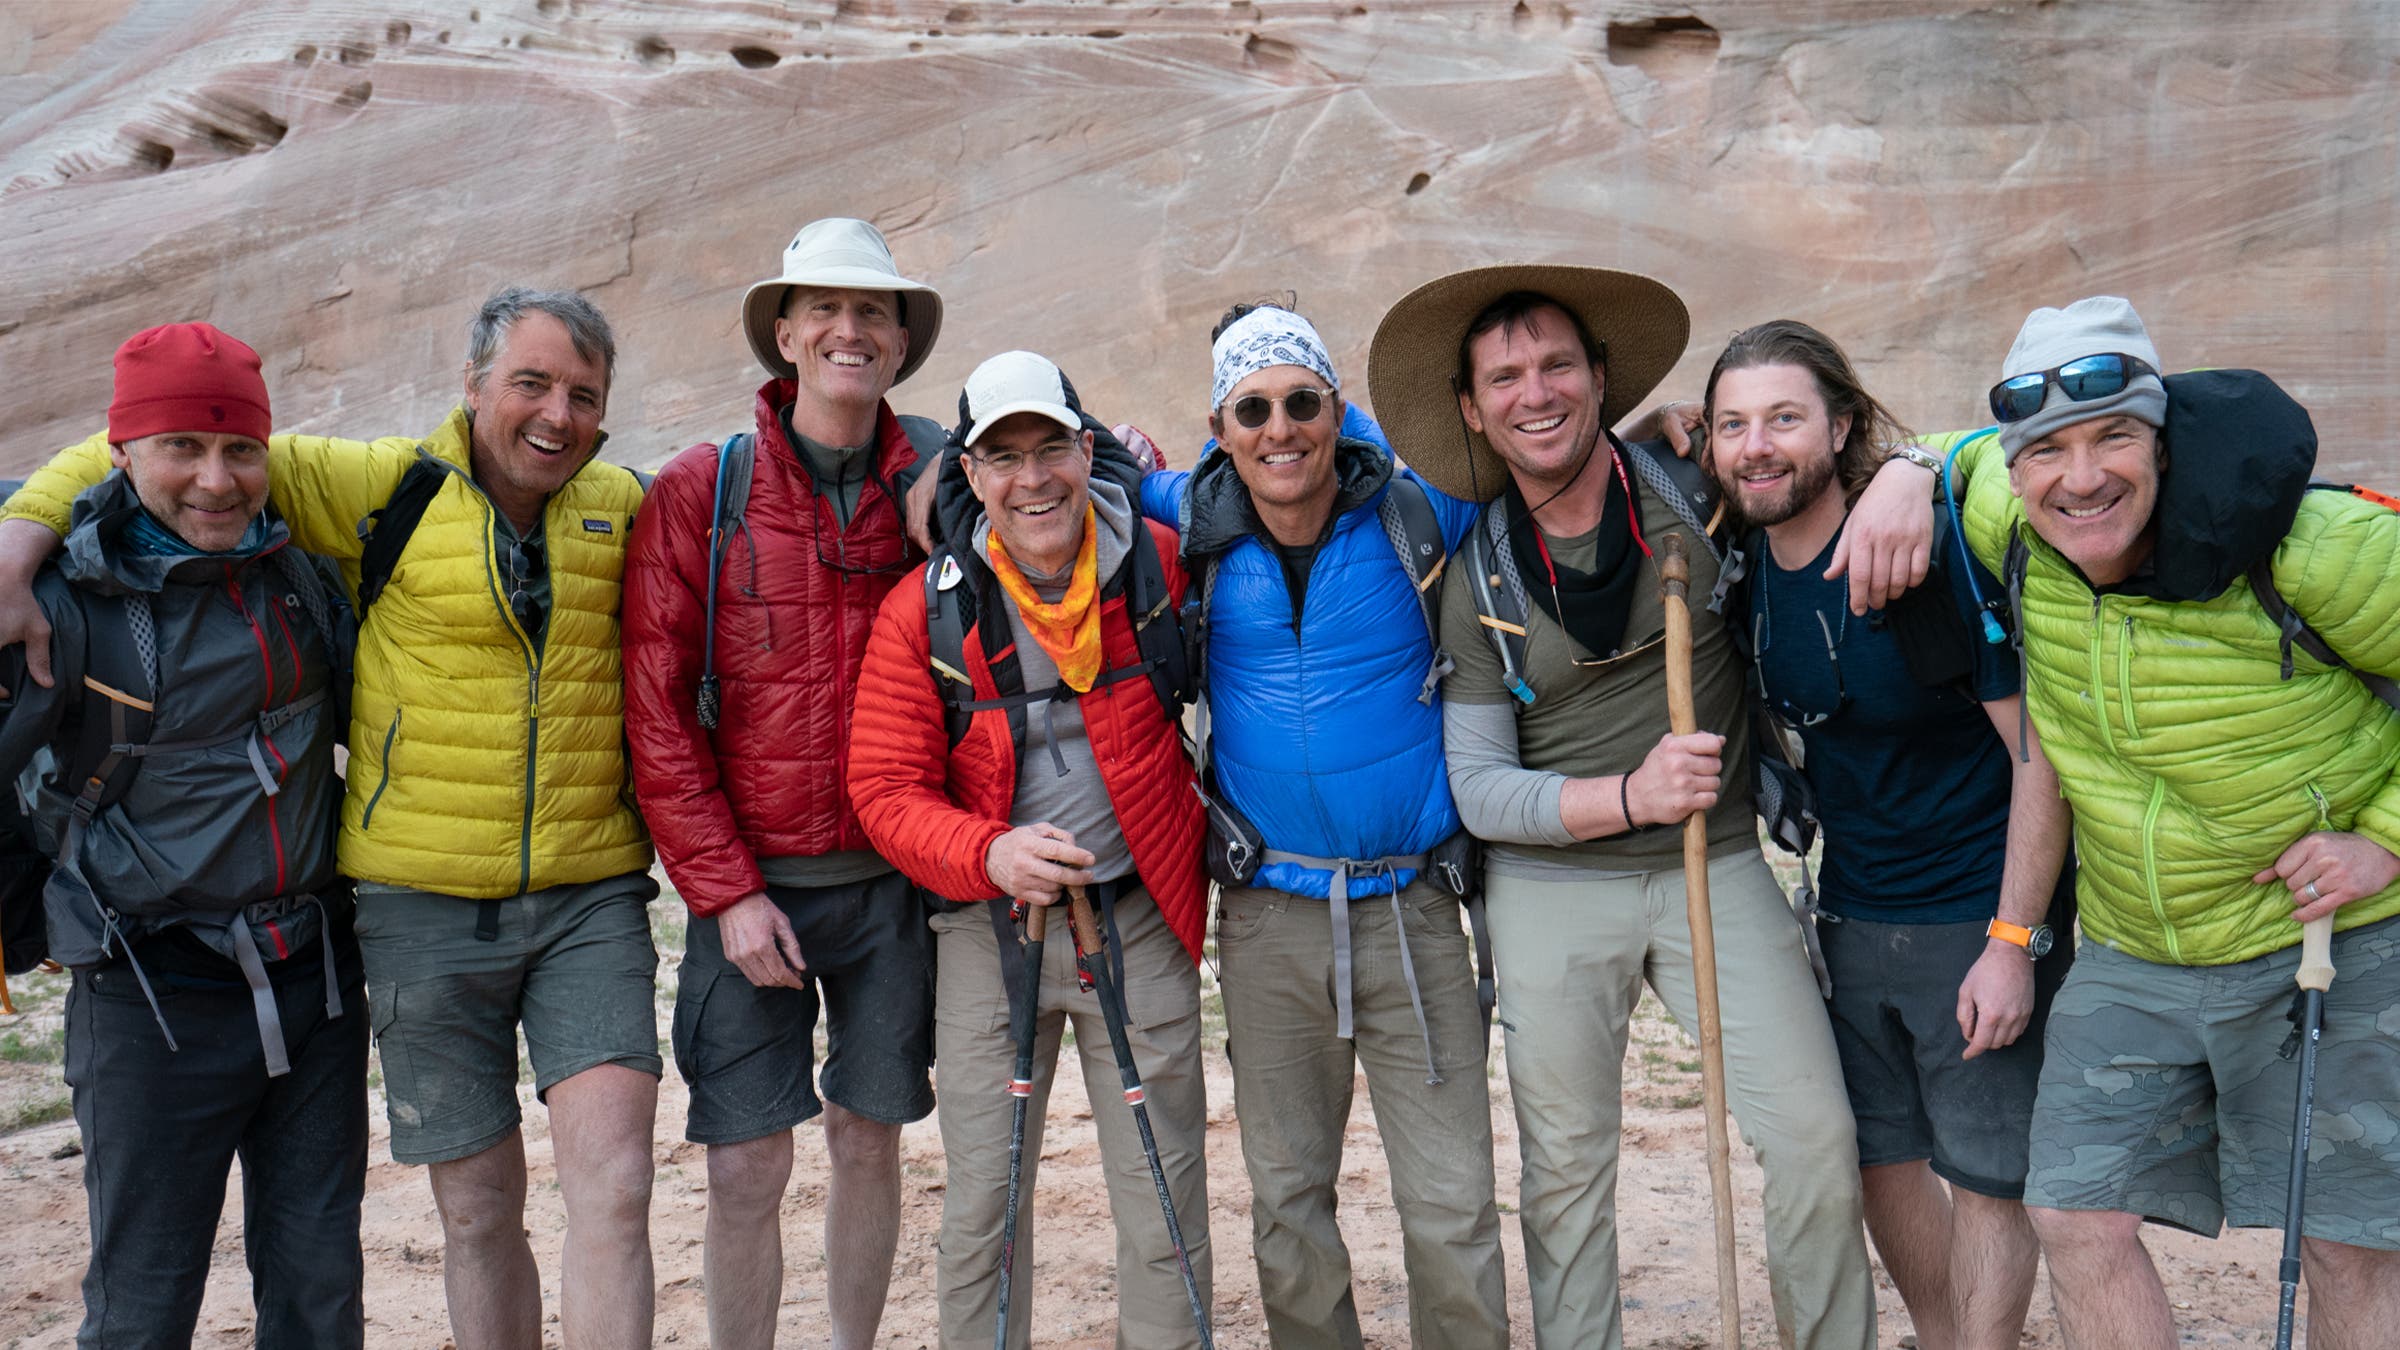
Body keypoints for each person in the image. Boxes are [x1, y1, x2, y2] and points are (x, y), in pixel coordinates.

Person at [0, 288, 661, 1350]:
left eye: (584, 394)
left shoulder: (622, 505)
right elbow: (131, 444)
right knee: (459, 1214)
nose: (556, 413)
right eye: (530, 382)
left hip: (522, 914)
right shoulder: (376, 487)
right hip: (366, 922)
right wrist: (20, 535)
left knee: (593, 1196)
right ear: (474, 388)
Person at [1366, 265, 1937, 1350]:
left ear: (1598, 377)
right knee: (1567, 1174)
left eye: (1557, 366)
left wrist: (1913, 467)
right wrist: (1626, 794)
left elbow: (1833, 453)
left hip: (1712, 862)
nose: (1536, 393)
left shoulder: (1698, 483)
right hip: (1551, 887)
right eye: (1506, 377)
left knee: (1815, 1136)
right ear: (1471, 407)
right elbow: (1482, 791)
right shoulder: (1473, 571)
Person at [1911, 296, 2400, 1350]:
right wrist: (1908, 481)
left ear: (2164, 443)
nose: (2079, 478)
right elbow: (1945, 453)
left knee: (2346, 1241)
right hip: (2136, 947)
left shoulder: (2320, 548)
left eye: (2113, 438)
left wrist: (2386, 842)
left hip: (2329, 939)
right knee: (2074, 1216)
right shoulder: (2006, 517)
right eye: (2045, 450)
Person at [1139, 300, 1509, 1350]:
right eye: (1251, 409)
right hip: (1269, 921)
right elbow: (1067, 482)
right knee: (1289, 1201)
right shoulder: (1185, 525)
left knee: (1453, 1207)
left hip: (1415, 907)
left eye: (1302, 401)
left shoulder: (1421, 506)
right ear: (1220, 429)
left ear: (1338, 410)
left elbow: (1551, 458)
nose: (1279, 428)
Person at [1699, 319, 2075, 1350]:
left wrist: (2014, 942)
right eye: (1733, 425)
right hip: (1851, 907)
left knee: (1989, 1175)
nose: (1757, 445)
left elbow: (2040, 759)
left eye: (1784, 417)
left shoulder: (1915, 553)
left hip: (1972, 908)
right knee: (1877, 1161)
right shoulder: (1738, 565)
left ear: (1842, 423)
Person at [0, 323, 365, 1347]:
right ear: (121, 452)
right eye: (181, 449)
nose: (217, 480)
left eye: (240, 449)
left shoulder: (304, 570)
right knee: (144, 1307)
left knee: (321, 1296)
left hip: (317, 989)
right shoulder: (59, 602)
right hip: (148, 999)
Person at [622, 217, 943, 1350]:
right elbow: (657, 712)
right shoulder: (704, 490)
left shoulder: (940, 481)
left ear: (899, 341)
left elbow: (1075, 471)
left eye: (872, 313)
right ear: (786, 334)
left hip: (900, 888)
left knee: (870, 1136)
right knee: (748, 1162)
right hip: (753, 891)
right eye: (826, 311)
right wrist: (723, 891)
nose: (849, 331)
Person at [848, 350, 1212, 1347]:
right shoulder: (926, 607)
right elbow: (882, 789)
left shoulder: (1162, 565)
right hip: (989, 930)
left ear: (1086, 450)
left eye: (1050, 447)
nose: (1033, 477)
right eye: (1001, 456)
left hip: (1137, 916)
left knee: (1163, 1195)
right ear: (969, 475)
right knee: (982, 1207)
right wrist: (990, 852)